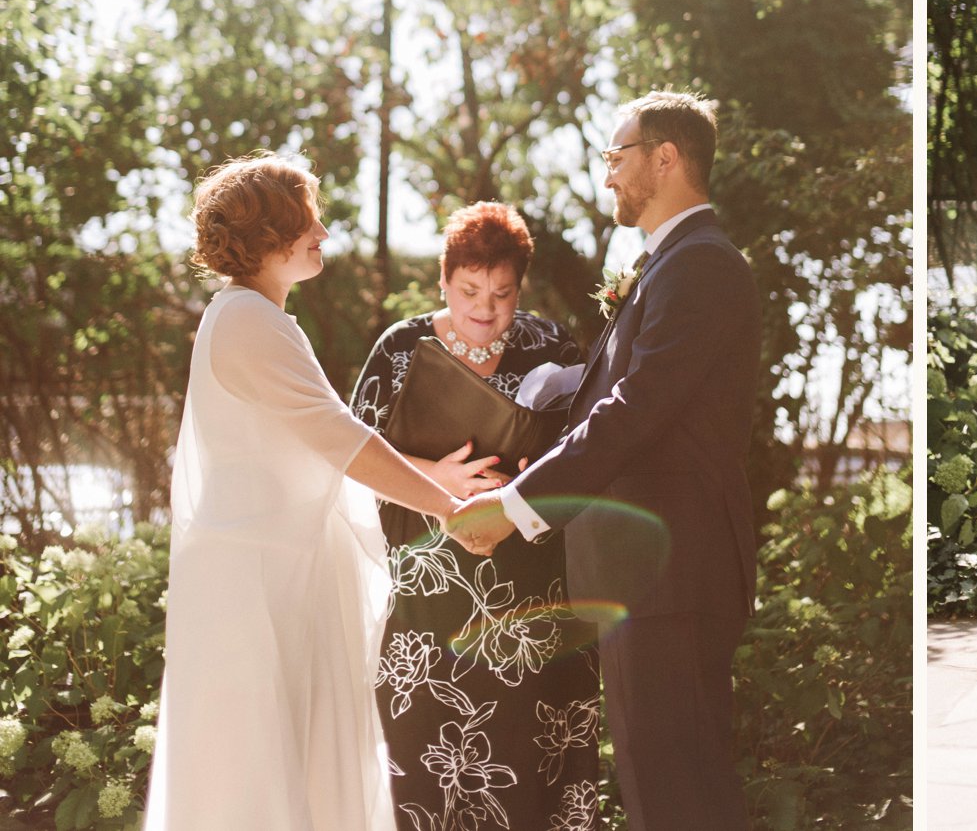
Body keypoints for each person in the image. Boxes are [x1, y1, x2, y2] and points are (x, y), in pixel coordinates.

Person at [448, 91, 760, 831]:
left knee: (682, 800)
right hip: (648, 579)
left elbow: (635, 412)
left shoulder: (702, 265)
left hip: (671, 577)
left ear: (665, 157)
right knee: (667, 796)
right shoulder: (669, 264)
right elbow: (613, 402)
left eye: (616, 156)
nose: (608, 174)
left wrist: (516, 504)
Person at [146, 155, 463, 831]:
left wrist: (440, 481)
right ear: (266, 234)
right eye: (304, 218)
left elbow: (322, 440)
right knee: (253, 782)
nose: (322, 229)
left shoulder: (257, 318)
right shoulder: (247, 321)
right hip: (254, 593)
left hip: (274, 579)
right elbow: (341, 438)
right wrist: (452, 508)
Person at [347, 201, 603, 831]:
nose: (485, 309)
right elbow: (350, 455)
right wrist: (439, 477)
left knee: (524, 755)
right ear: (443, 281)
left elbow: (588, 447)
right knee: (426, 758)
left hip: (528, 584)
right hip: (429, 591)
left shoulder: (551, 343)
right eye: (468, 291)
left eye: (502, 293)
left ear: (521, 286)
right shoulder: (400, 348)